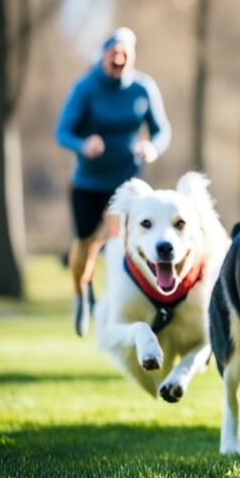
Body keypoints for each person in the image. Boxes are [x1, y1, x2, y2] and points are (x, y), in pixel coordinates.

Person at [56, 27, 171, 336]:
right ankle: (82, 294)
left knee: (126, 241)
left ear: (131, 57)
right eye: (113, 53)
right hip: (89, 182)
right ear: (103, 56)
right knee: (87, 244)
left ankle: (135, 303)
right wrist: (84, 145)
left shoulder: (143, 88)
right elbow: (63, 131)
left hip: (128, 183)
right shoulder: (85, 88)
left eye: (125, 54)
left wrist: (152, 147)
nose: (119, 59)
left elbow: (161, 130)